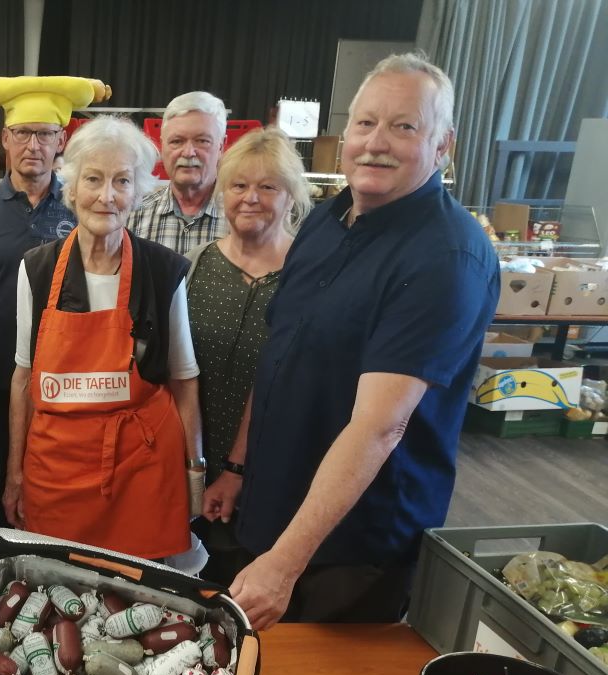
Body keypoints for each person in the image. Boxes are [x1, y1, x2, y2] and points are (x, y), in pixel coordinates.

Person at [208, 53, 499, 630]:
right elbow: (279, 355)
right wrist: (238, 467)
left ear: (444, 147)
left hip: (350, 548)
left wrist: (283, 565)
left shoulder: (445, 257)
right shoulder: (328, 219)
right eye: (365, 123)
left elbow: (379, 426)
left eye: (404, 126)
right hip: (272, 507)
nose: (375, 143)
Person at [5, 116, 203, 562]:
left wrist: (195, 471)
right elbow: (23, 379)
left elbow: (184, 381)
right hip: (57, 472)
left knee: (141, 600)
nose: (107, 195)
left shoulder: (163, 271)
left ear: (139, 192)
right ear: (70, 188)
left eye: (122, 181)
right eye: (93, 179)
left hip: (141, 470)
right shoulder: (36, 269)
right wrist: (14, 474)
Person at [186, 127, 310, 585]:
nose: (250, 198)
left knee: (254, 591)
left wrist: (237, 469)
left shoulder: (308, 276)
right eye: (239, 185)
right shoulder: (196, 265)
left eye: (268, 187)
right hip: (193, 464)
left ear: (291, 196)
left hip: (273, 469)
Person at [0, 86, 79, 528]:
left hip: (65, 373)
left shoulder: (79, 207)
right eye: (24, 133)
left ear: (61, 140)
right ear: (5, 139)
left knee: (60, 472)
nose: (34, 145)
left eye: (45, 134)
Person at [128, 91, 230, 254]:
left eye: (202, 141)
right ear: (162, 146)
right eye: (177, 141)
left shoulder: (242, 218)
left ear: (221, 146)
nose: (188, 152)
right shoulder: (133, 215)